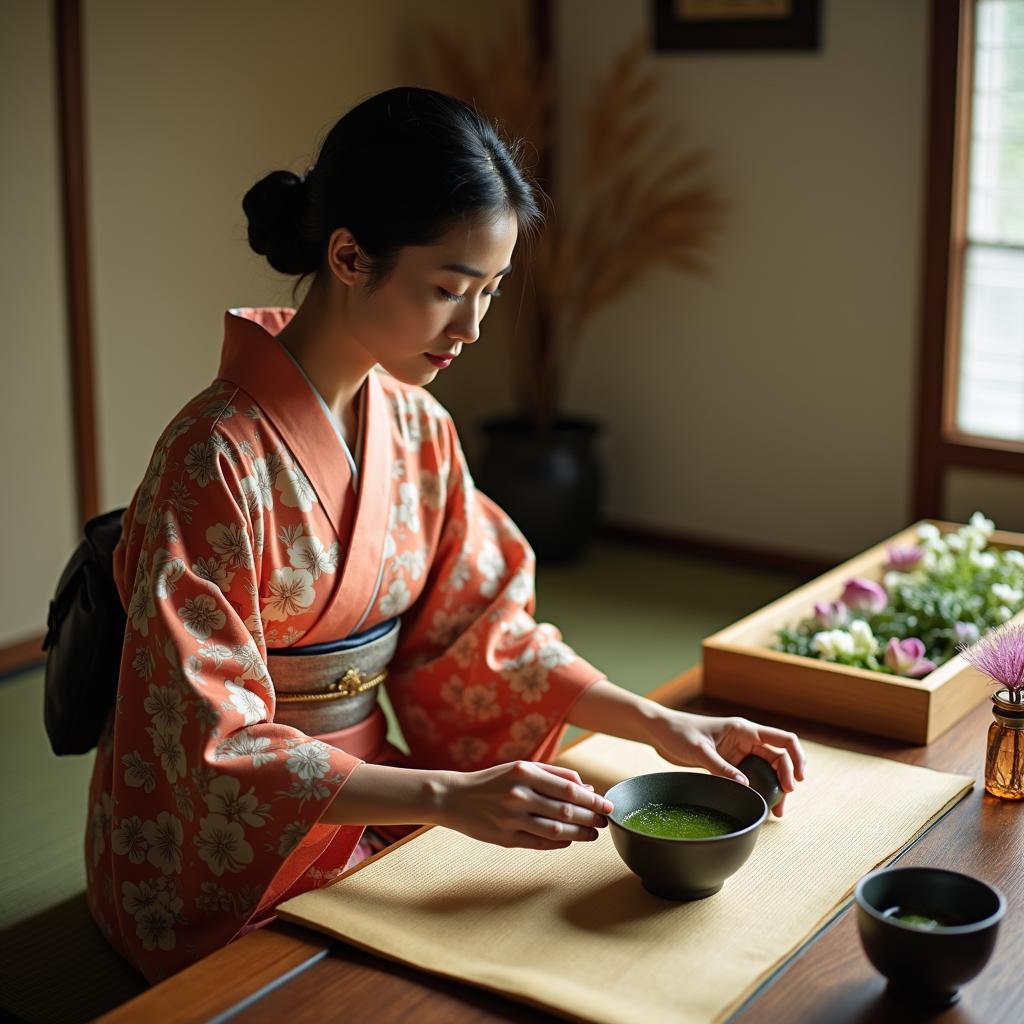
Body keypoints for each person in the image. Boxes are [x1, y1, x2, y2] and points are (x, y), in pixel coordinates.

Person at [84, 86, 806, 983]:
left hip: (377, 792)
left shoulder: (417, 428)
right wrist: (448, 799)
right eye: (447, 291)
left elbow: (481, 639)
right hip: (226, 845)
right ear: (348, 255)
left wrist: (661, 724)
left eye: (490, 293)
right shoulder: (213, 458)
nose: (470, 329)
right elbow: (210, 741)